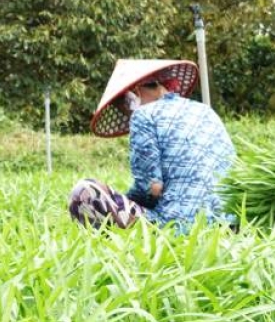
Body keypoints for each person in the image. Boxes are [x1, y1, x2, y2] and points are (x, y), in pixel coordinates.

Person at [71, 59, 236, 230]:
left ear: (132, 95)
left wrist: (124, 200)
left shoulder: (142, 115)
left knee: (85, 191)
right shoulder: (205, 111)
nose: (129, 115)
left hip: (180, 224)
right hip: (227, 220)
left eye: (125, 109)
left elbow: (152, 188)